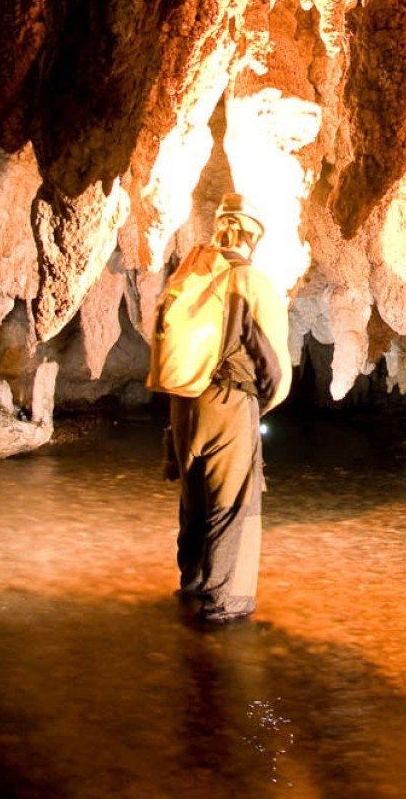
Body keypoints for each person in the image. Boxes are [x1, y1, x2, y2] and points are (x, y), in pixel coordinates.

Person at [149, 193, 292, 624]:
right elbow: (274, 368)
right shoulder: (251, 281)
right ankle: (226, 602)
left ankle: (191, 584)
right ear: (251, 236)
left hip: (183, 407)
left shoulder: (187, 276)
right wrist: (258, 405)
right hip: (229, 403)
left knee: (193, 500)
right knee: (232, 505)